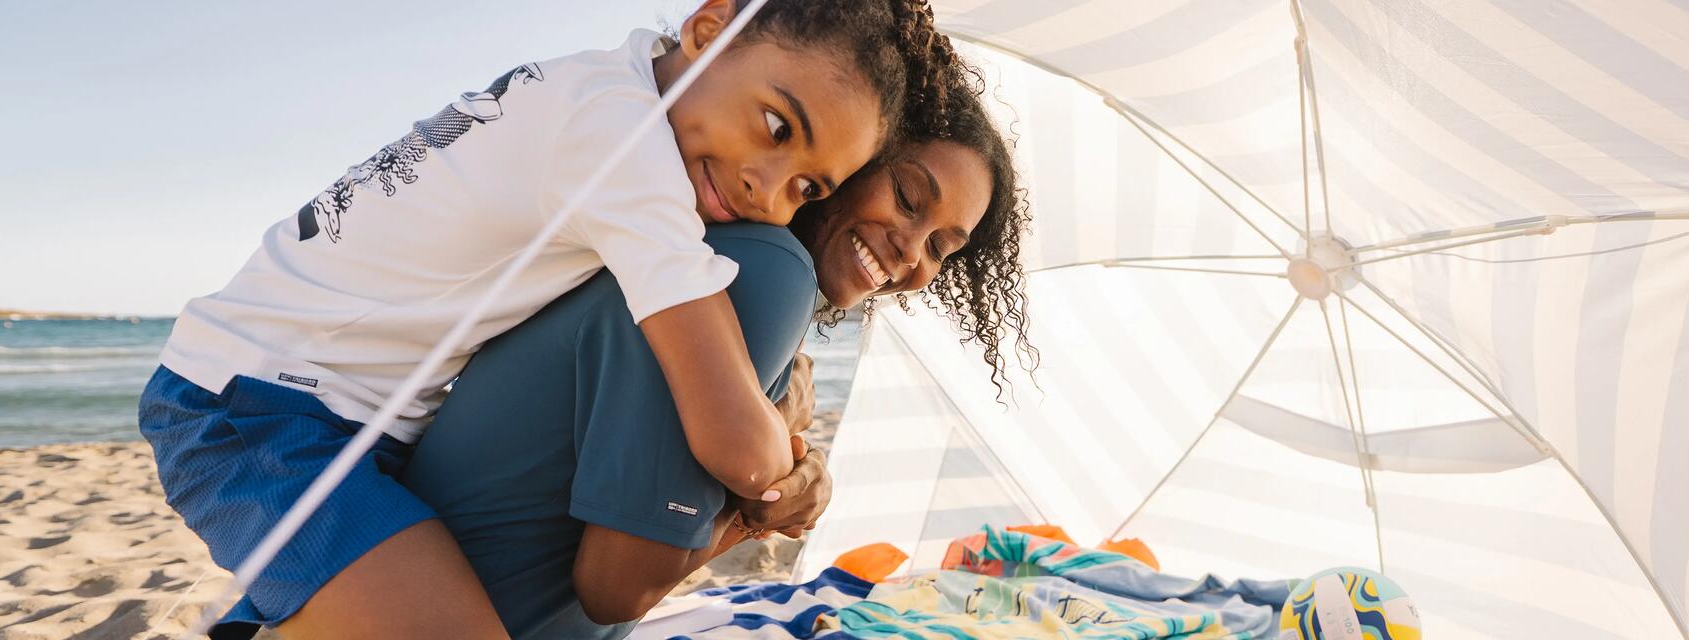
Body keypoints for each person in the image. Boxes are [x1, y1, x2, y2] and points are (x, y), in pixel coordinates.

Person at [135, 1, 950, 636]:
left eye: (807, 188)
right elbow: (736, 445)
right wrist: (783, 436)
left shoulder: (601, 85)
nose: (764, 188)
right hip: (260, 408)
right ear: (708, 30)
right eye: (776, 127)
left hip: (330, 406)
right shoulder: (623, 147)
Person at [402, 73, 1037, 639]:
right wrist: (757, 507)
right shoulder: (767, 270)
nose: (912, 252)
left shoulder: (708, 247)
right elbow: (615, 590)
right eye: (907, 197)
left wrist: (776, 462)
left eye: (942, 248)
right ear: (852, 157)